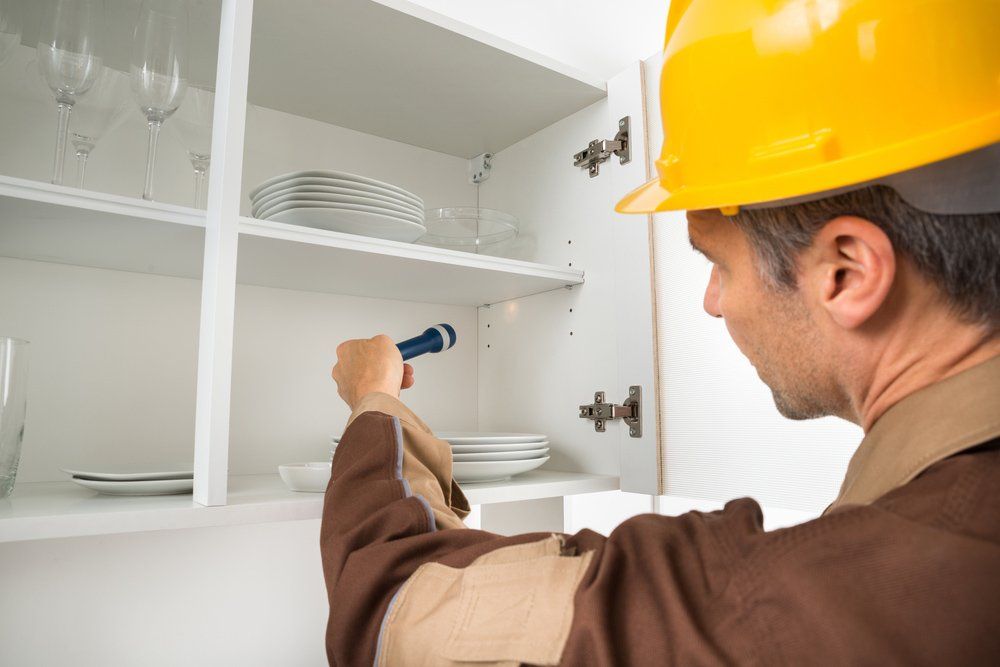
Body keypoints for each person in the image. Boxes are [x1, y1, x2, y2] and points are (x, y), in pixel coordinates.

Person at [321, 1, 999, 664]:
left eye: (717, 261)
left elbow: (391, 607)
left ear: (847, 272)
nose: (712, 301)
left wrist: (373, 400)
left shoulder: (793, 606)